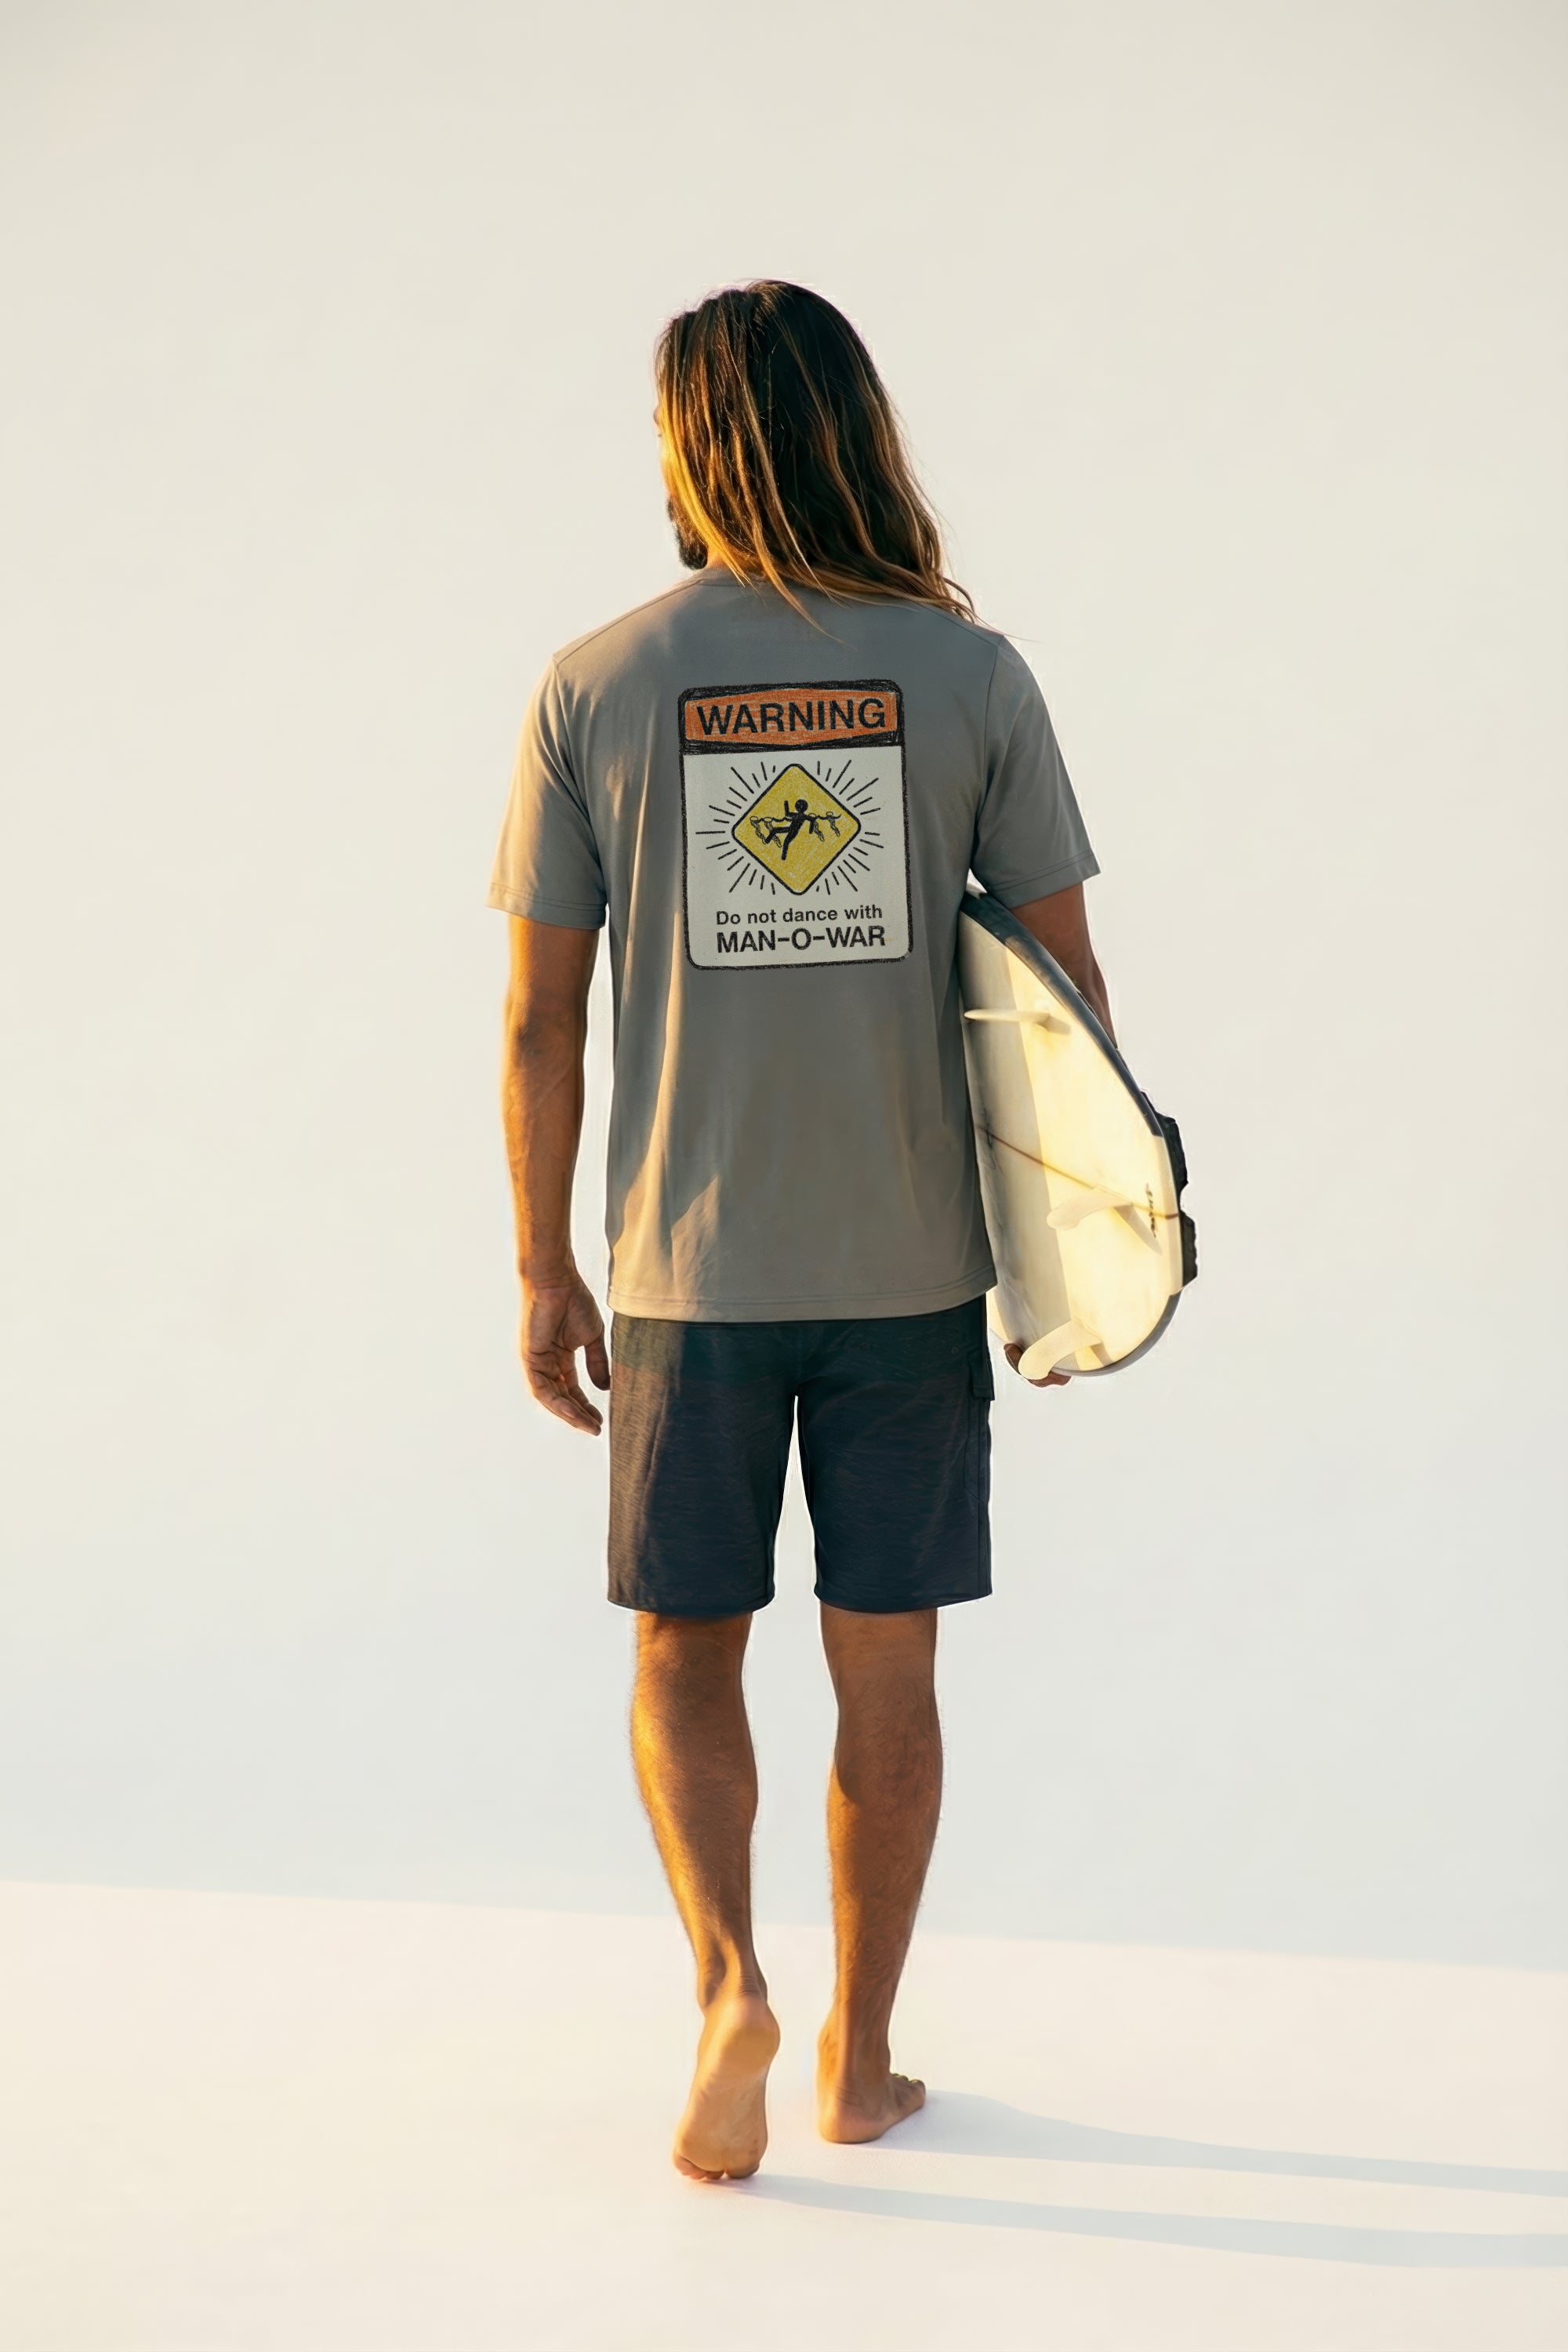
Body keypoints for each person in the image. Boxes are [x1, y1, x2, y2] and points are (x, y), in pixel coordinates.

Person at [488, 282, 1110, 2183]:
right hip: (912, 1271)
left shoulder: (595, 680)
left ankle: (728, 1988)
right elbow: (1064, 1014)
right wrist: (1074, 1268)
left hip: (687, 1273)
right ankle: (857, 2059)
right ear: (859, 426)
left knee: (684, 1648)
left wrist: (540, 1267)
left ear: (688, 442)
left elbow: (537, 1018)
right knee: (887, 1672)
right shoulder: (970, 676)